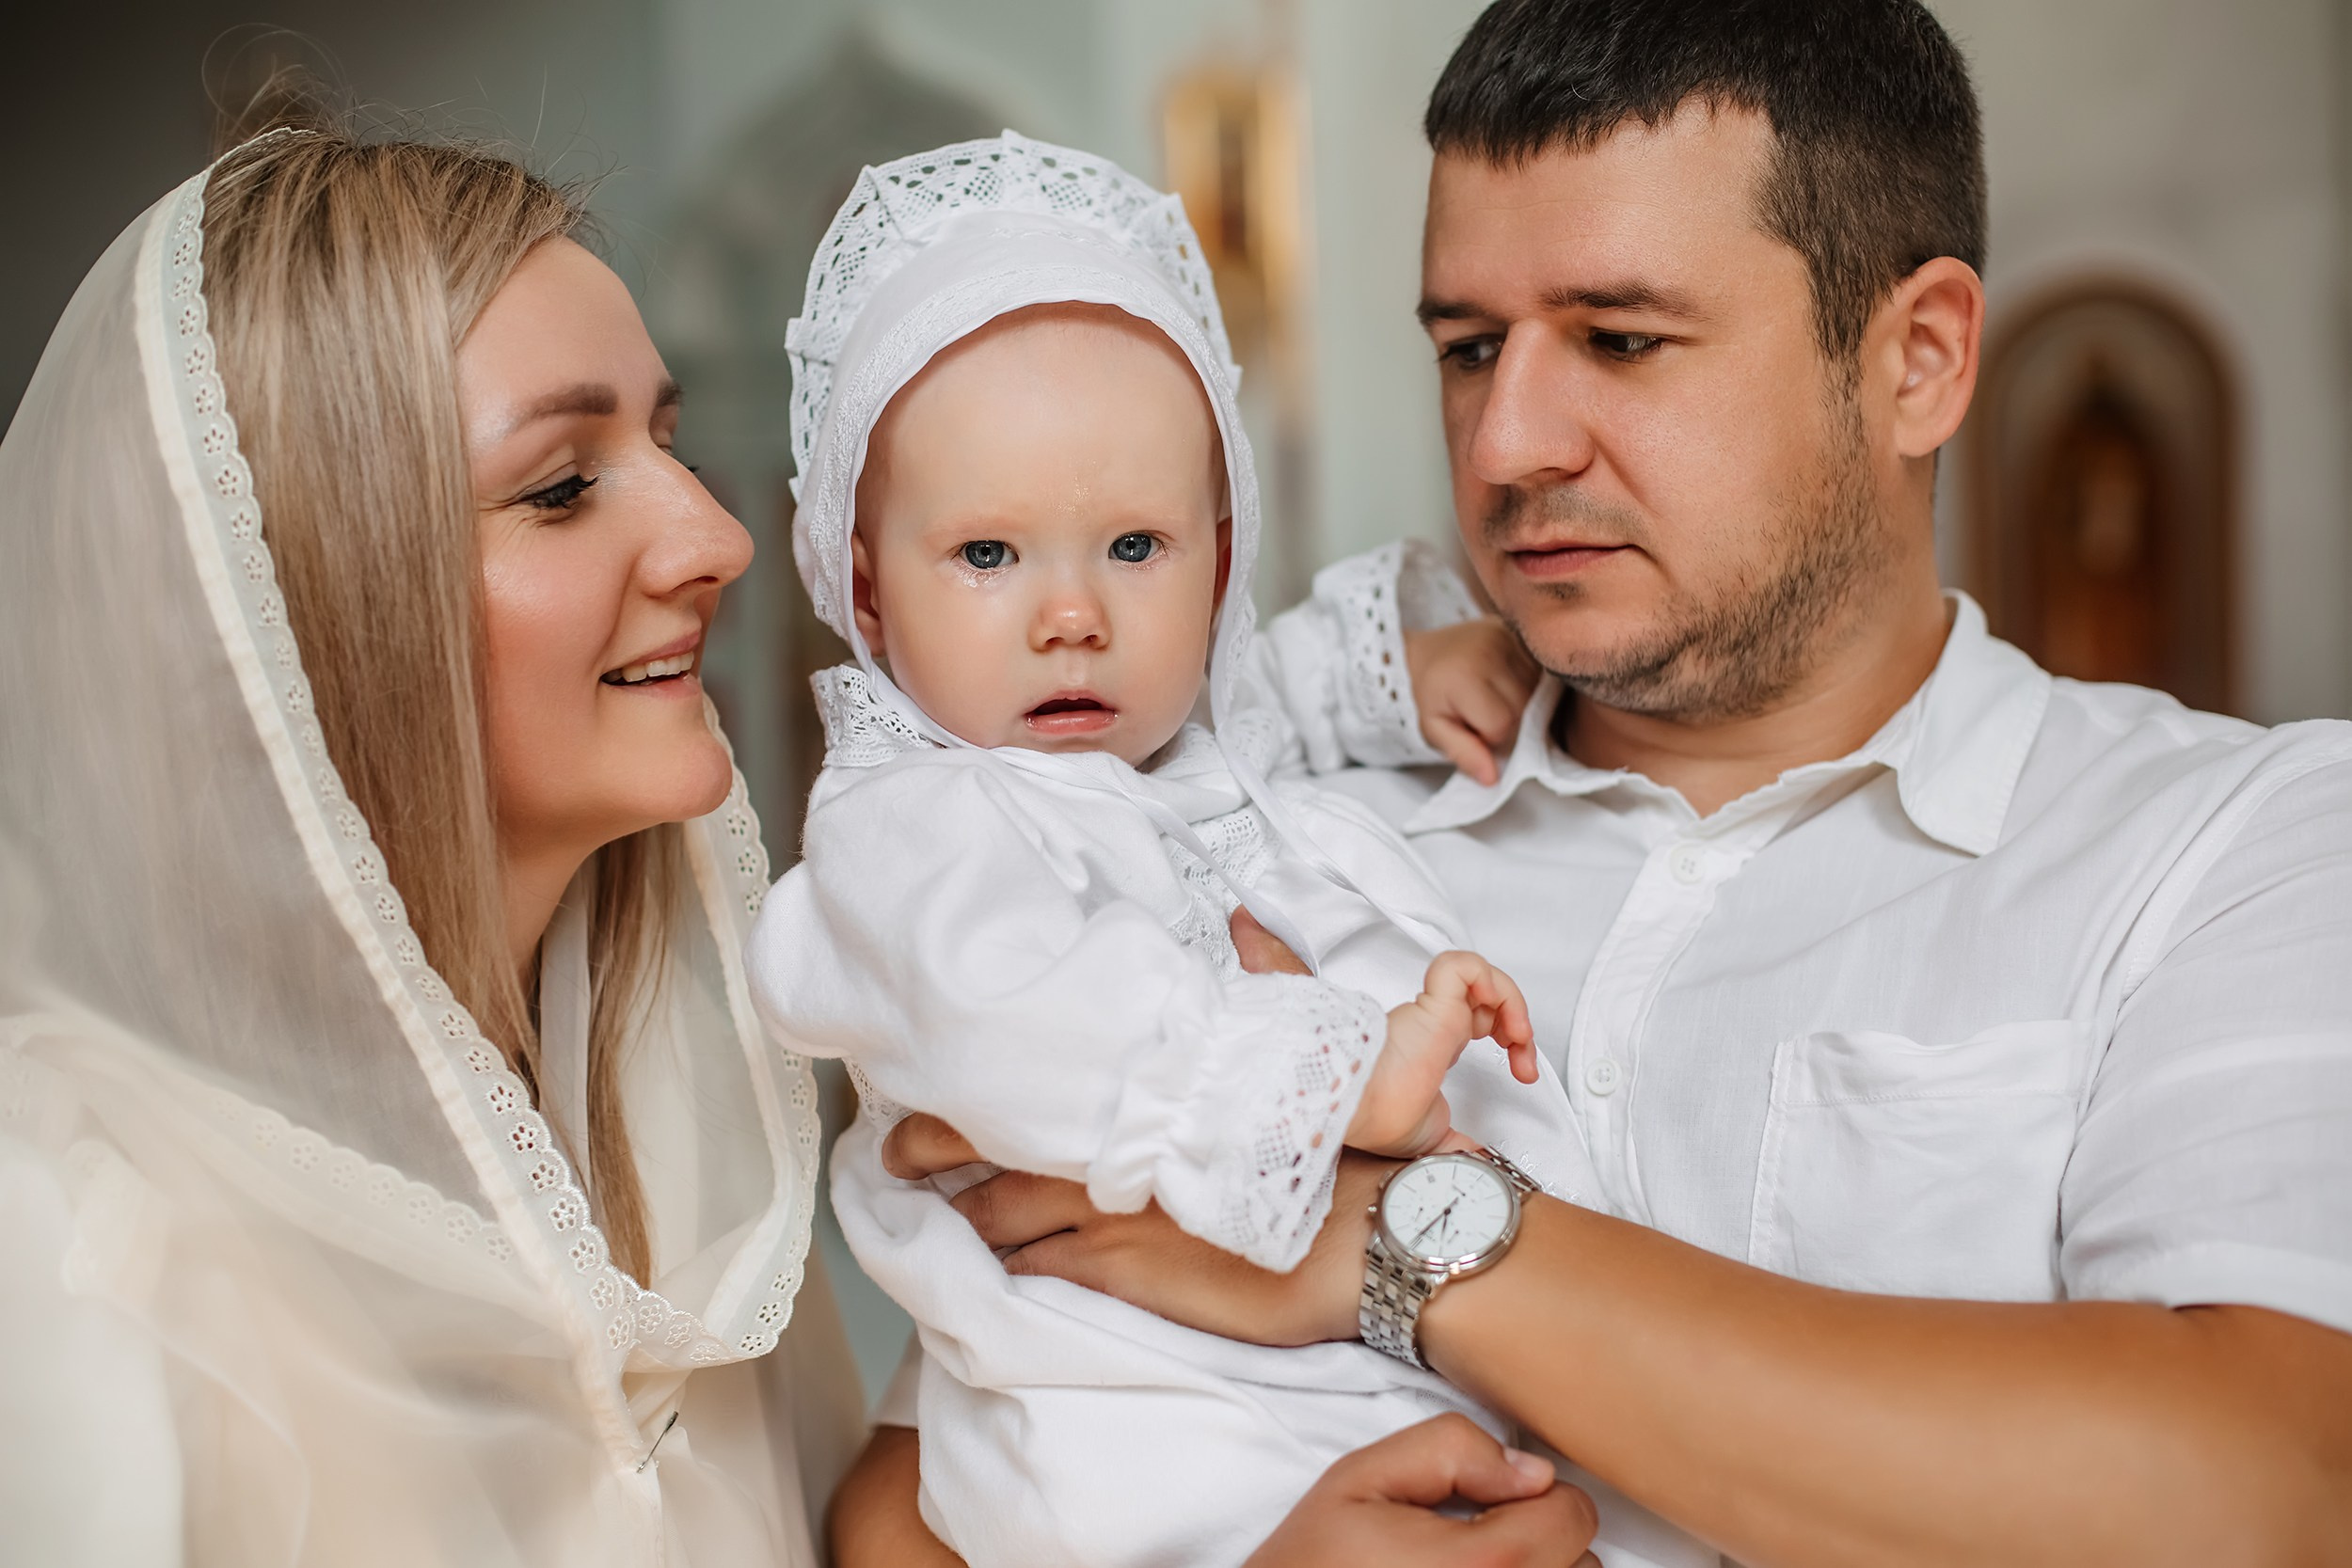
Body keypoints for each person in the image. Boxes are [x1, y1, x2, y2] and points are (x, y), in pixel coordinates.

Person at [836, 1, 2352, 1563]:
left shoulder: (2237, 848)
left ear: (1917, 361)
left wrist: (1397, 1237)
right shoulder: (1267, 842)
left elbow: (2266, 1493)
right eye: (1469, 348)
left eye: (1621, 340)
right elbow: (916, 1490)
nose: (1505, 443)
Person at [0, 118, 863, 1564]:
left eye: (663, 437)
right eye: (561, 484)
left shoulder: (704, 1159)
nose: (719, 536)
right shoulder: (67, 1246)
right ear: (321, 605)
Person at [744, 132, 1595, 1568]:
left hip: (1319, 1359)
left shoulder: (1159, 746)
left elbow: (1253, 701)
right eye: (990, 555)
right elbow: (1022, 1009)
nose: (1072, 614)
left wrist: (1399, 664)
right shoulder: (920, 829)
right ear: (869, 593)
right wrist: (1323, 1084)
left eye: (1136, 547)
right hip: (1124, 1412)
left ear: (1218, 551)